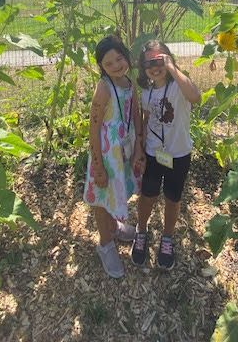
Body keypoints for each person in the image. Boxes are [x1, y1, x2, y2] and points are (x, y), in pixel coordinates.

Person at [131, 40, 201, 270]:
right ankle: (141, 231)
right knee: (147, 195)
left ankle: (167, 238)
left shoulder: (179, 86)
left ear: (168, 59)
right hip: (154, 153)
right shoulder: (147, 92)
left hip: (178, 153)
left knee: (173, 198)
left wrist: (172, 68)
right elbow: (145, 119)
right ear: (144, 68)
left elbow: (195, 97)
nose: (155, 66)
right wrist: (139, 148)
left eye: (160, 60)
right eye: (149, 62)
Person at [83, 35, 145, 278]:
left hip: (124, 151)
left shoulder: (129, 83)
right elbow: (94, 127)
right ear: (102, 67)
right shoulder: (104, 88)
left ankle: (114, 226)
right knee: (102, 196)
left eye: (119, 59)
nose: (117, 66)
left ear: (126, 57)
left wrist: (139, 147)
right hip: (107, 155)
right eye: (109, 64)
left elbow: (136, 114)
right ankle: (105, 244)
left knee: (115, 193)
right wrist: (98, 166)